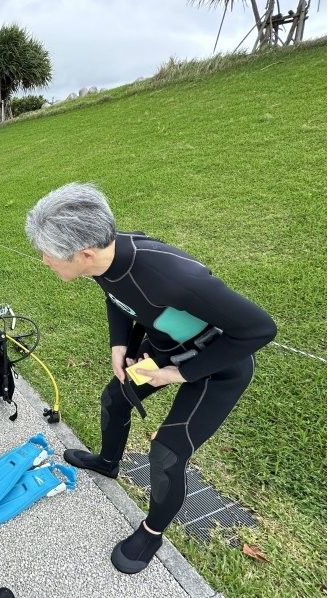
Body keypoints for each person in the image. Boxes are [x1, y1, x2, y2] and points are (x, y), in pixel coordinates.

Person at [24, 182, 277, 574]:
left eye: (48, 254)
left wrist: (179, 373)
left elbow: (260, 330)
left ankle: (152, 530)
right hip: (164, 350)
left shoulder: (175, 277)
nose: (44, 261)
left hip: (217, 367)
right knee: (114, 398)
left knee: (167, 455)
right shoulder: (105, 258)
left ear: (83, 253)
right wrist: (119, 345)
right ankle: (108, 462)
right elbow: (117, 297)